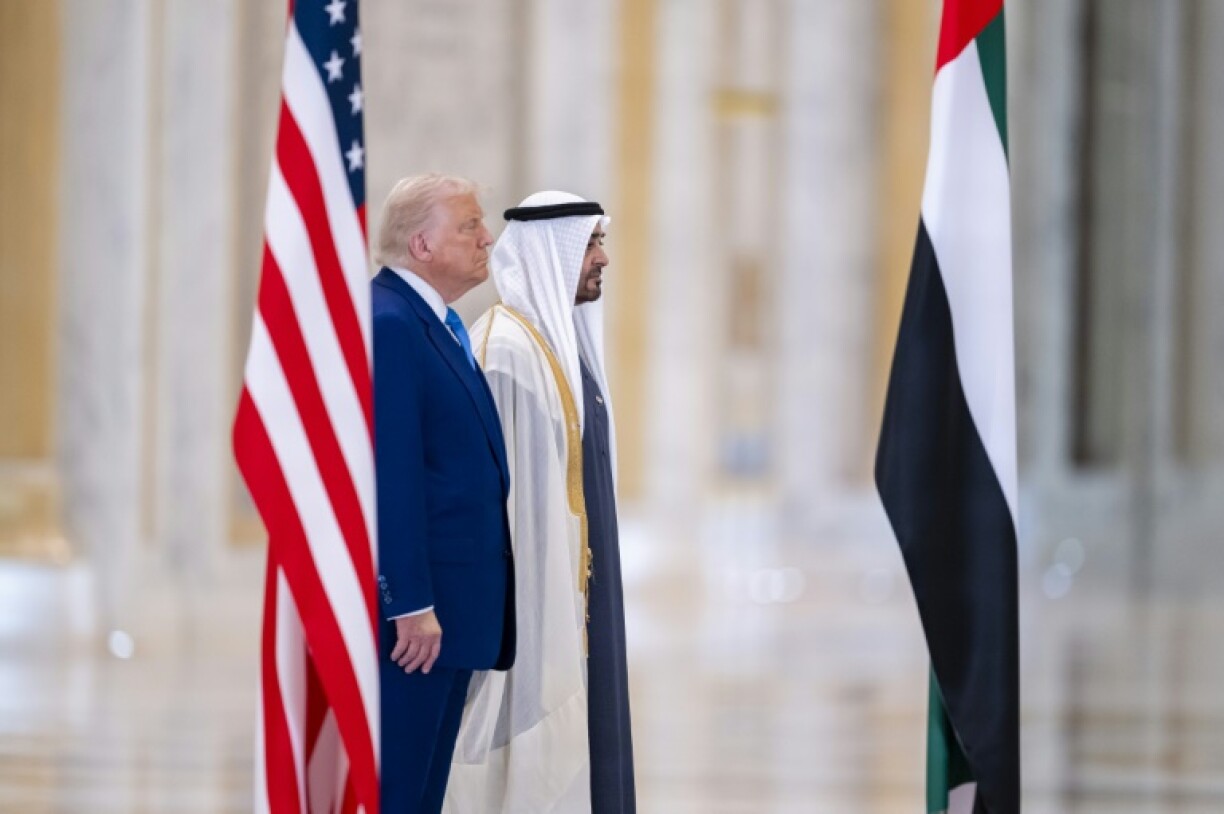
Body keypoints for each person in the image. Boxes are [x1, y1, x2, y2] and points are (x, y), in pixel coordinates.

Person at [446, 191, 635, 813]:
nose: (602, 258)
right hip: (534, 605)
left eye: (601, 242)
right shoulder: (506, 351)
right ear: (549, 254)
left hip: (579, 599)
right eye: (590, 244)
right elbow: (506, 512)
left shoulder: (558, 347)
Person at [371, 174, 516, 813]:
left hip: (448, 612)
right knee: (399, 793)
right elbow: (393, 470)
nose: (488, 238)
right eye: (470, 225)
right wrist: (410, 601)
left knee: (423, 795)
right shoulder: (392, 322)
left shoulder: (436, 322)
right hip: (415, 624)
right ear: (422, 245)